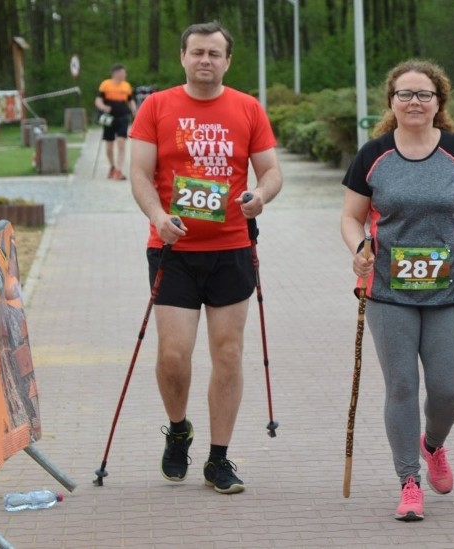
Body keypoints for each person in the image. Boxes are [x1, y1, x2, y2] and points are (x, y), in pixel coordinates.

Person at [129, 21, 283, 495]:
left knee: (229, 353)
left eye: (214, 54)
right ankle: (178, 430)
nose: (205, 61)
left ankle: (218, 459)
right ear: (183, 57)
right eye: (197, 52)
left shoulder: (247, 107)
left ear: (227, 60)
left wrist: (260, 196)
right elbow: (138, 171)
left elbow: (272, 172)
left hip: (232, 248)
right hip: (173, 250)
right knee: (174, 356)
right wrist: (157, 216)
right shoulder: (156, 106)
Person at [340, 59, 454, 521]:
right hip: (388, 290)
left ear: (438, 101)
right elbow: (350, 217)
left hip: (447, 291)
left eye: (424, 94)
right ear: (391, 101)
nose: (414, 102)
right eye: (405, 94)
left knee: (447, 392)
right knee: (401, 386)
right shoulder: (374, 154)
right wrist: (360, 247)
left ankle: (433, 445)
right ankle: (409, 481)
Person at [95, 64, 137, 180]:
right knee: (109, 146)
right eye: (122, 73)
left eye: (125, 73)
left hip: (123, 117)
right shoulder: (105, 84)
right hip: (109, 118)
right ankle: (112, 166)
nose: (124, 75)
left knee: (121, 143)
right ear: (115, 74)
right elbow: (98, 100)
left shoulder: (126, 86)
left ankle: (119, 170)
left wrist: (134, 109)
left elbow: (130, 100)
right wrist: (103, 107)